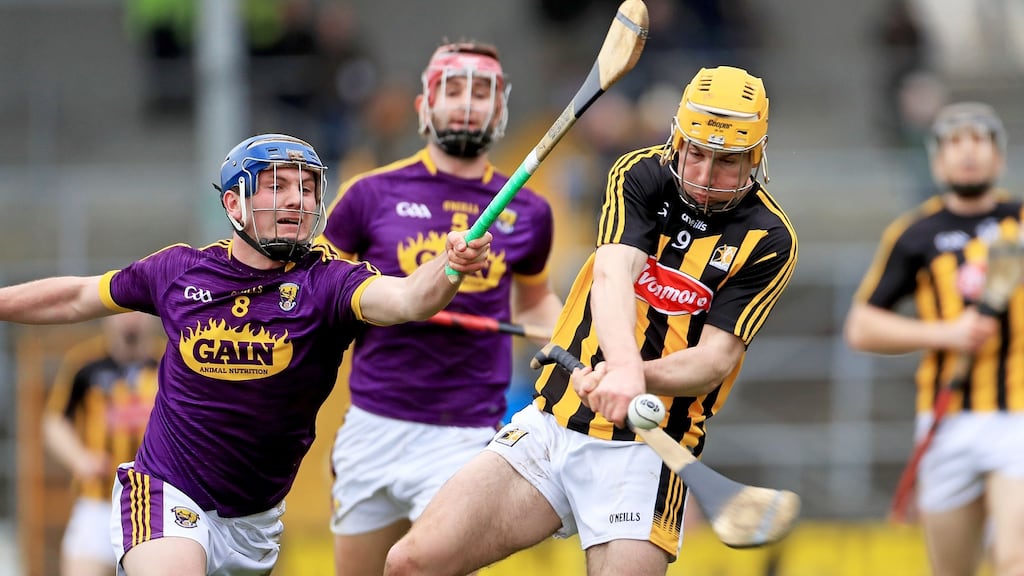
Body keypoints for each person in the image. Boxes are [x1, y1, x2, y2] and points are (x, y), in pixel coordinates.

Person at [0, 133, 492, 576]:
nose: (297, 200)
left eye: (306, 188)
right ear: (234, 203)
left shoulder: (328, 283)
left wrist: (450, 268)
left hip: (255, 523)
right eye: (276, 186)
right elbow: (77, 296)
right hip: (166, 490)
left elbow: (408, 298)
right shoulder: (178, 271)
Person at [384, 65, 798, 576]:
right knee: (410, 563)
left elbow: (716, 358)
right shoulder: (640, 174)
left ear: (756, 160)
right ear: (676, 140)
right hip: (554, 419)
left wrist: (634, 378)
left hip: (649, 445)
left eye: (727, 163)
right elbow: (613, 273)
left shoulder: (770, 239)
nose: (706, 177)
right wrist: (625, 365)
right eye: (696, 153)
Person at [318, 40, 562, 576]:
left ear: (501, 109)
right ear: (423, 106)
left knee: (420, 567)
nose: (467, 103)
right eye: (452, 89)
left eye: (482, 92)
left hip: (467, 431)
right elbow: (322, 289)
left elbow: (536, 301)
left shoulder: (530, 210)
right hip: (373, 421)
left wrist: (575, 344)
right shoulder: (368, 195)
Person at [845, 102, 1024, 576]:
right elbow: (862, 327)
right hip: (948, 420)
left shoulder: (1021, 222)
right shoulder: (914, 235)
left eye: (979, 141)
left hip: (1019, 417)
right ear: (937, 160)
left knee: (1015, 559)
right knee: (951, 569)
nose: (968, 153)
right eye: (955, 143)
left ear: (999, 157)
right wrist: (948, 333)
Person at [42, 312, 161, 576]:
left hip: (155, 503)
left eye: (138, 311)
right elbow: (54, 421)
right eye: (122, 312)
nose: (130, 320)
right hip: (98, 502)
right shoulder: (85, 364)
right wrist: (80, 458)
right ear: (107, 317)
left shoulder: (169, 364)